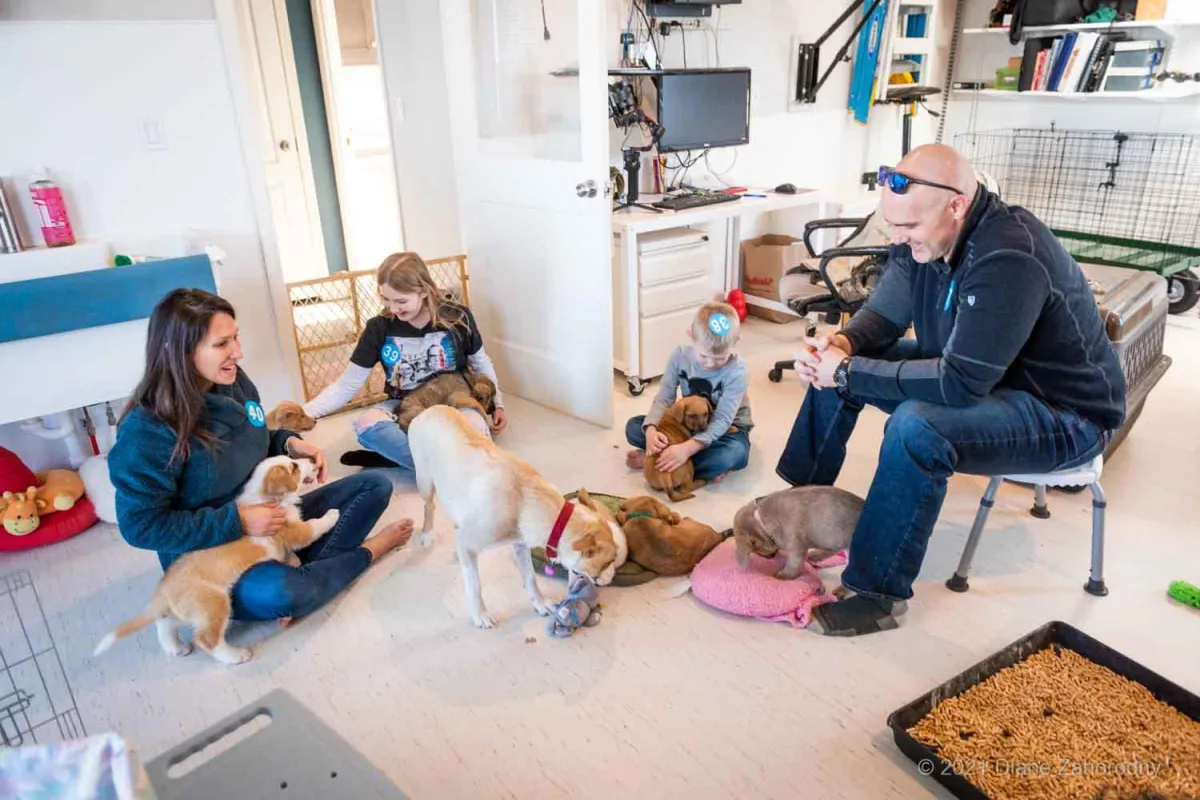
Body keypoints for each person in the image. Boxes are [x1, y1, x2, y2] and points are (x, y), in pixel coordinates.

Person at [779, 144, 1126, 637]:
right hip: (986, 376)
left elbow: (960, 383)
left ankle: (876, 596)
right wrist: (839, 344)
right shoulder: (921, 234)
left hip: (1063, 416)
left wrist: (847, 372)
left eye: (909, 228)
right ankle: (792, 518)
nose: (898, 239)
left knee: (915, 426)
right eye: (893, 227)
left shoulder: (1008, 254)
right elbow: (882, 316)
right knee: (835, 369)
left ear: (957, 204)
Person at [108, 288, 412, 625]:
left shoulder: (233, 383)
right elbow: (141, 526)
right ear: (179, 351)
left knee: (375, 486)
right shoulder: (147, 431)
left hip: (271, 521)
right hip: (215, 556)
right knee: (284, 593)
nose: (237, 352)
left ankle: (308, 573)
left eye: (235, 338)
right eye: (221, 344)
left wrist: (289, 444)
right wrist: (237, 520)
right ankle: (367, 553)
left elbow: (252, 438)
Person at [302, 252, 506, 473]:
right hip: (404, 403)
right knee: (368, 425)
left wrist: (497, 403)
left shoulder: (458, 317)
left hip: (455, 400)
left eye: (401, 301)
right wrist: (306, 412)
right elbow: (347, 384)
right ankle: (449, 468)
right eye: (385, 299)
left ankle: (414, 461)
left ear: (425, 291)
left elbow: (480, 362)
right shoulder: (378, 328)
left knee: (474, 427)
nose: (393, 308)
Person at [625, 297, 753, 484]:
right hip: (687, 425)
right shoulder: (679, 356)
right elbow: (664, 397)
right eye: (704, 356)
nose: (710, 363)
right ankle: (685, 464)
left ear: (736, 342)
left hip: (728, 430)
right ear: (690, 335)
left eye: (719, 359)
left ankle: (655, 461)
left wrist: (687, 449)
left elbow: (724, 418)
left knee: (733, 454)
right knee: (635, 428)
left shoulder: (738, 371)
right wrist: (651, 430)